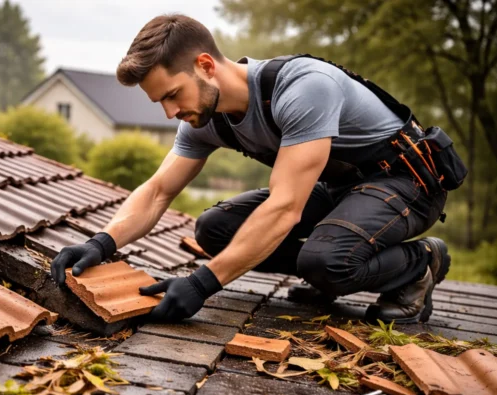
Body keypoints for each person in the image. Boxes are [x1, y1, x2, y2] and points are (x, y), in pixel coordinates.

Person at [51, 14, 463, 325]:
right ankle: (330, 269)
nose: (170, 111)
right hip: (341, 188)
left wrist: (202, 283)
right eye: (161, 102)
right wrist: (101, 243)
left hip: (406, 182)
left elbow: (285, 208)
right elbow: (159, 190)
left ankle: (418, 264)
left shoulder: (302, 88)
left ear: (206, 65)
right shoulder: (206, 118)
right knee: (214, 229)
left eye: (173, 94)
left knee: (325, 261)